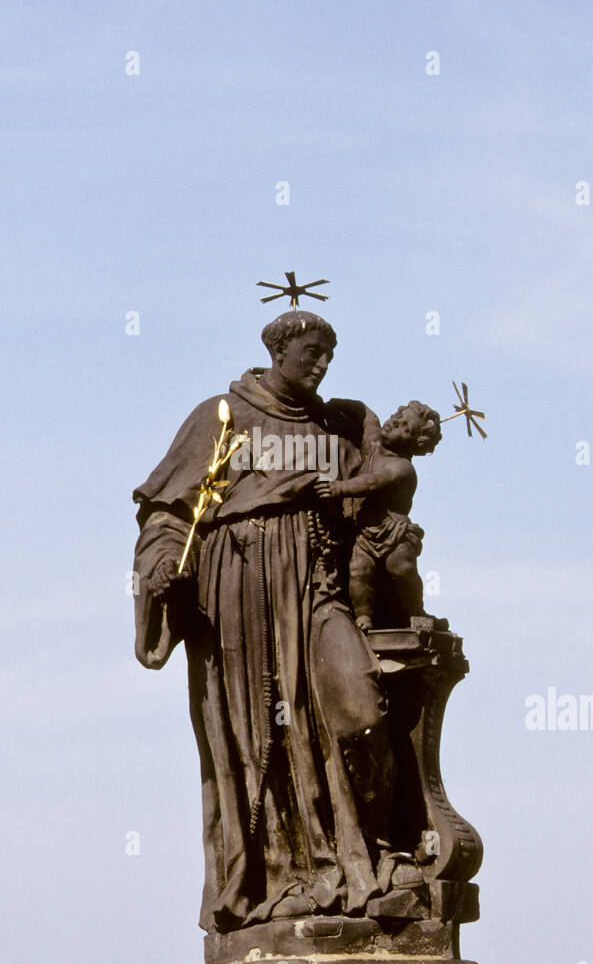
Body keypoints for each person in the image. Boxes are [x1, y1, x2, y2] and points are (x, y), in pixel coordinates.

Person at [131, 311, 397, 932]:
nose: (322, 364)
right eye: (312, 352)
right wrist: (164, 565)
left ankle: (368, 852)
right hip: (240, 594)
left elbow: (380, 510)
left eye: (329, 354)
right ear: (279, 350)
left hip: (319, 589)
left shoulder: (339, 427)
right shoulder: (222, 415)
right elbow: (168, 514)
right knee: (260, 737)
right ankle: (285, 873)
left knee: (360, 710)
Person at [314, 401, 441, 632]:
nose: (394, 423)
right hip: (364, 533)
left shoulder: (403, 469)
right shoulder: (374, 446)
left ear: (415, 442)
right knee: (358, 571)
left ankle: (416, 610)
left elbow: (372, 482)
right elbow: (368, 417)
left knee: (402, 568)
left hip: (394, 532)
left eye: (404, 427)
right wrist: (335, 405)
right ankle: (364, 615)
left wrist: (339, 488)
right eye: (396, 416)